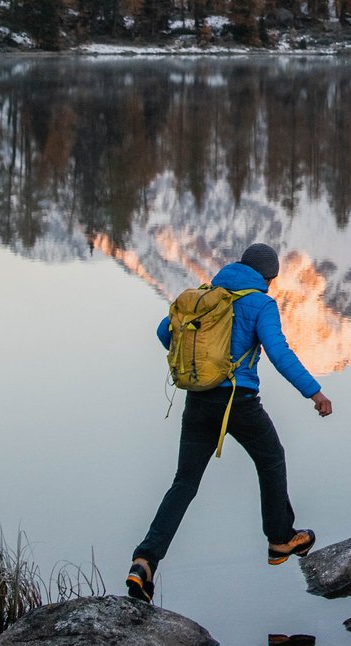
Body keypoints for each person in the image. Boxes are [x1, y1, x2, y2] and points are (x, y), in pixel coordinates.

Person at [126, 241, 333, 602]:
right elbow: (279, 352)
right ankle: (280, 538)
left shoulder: (207, 294)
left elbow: (164, 332)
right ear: (268, 276)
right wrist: (314, 393)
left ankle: (145, 560)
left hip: (197, 400)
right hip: (238, 401)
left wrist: (200, 365)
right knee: (271, 459)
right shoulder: (260, 303)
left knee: (184, 483)